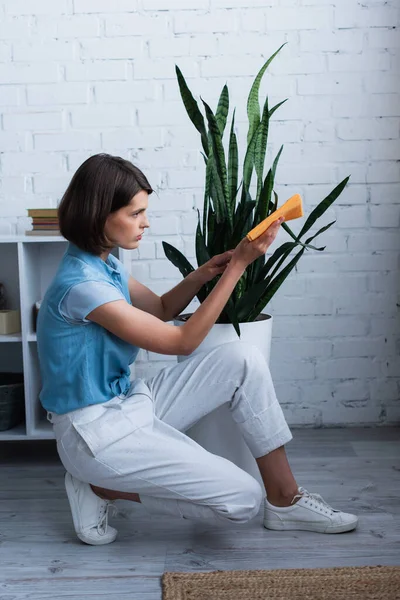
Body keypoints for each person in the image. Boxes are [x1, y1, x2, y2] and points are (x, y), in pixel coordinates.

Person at [37, 153, 358, 546]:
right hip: (94, 434)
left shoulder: (104, 264)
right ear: (99, 214)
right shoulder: (82, 286)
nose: (145, 222)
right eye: (135, 213)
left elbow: (161, 309)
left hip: (125, 404)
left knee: (242, 358)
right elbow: (181, 340)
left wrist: (204, 273)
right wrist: (239, 265)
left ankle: (285, 499)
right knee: (242, 500)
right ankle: (101, 487)